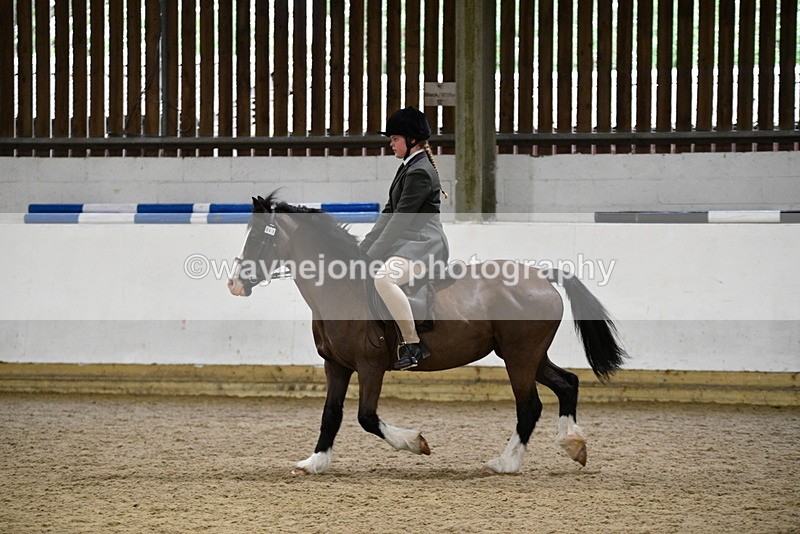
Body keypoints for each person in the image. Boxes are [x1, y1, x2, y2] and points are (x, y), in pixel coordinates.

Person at [359, 106, 449, 371]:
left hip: (424, 245)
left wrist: (373, 254)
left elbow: (400, 221)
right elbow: (389, 212)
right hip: (407, 244)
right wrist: (363, 248)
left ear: (411, 140)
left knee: (384, 279)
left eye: (395, 139)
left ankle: (413, 344)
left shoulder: (419, 172)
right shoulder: (408, 167)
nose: (391, 144)